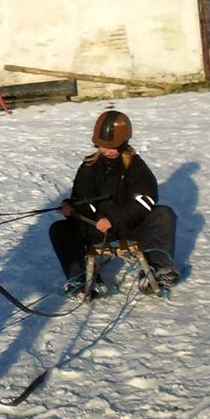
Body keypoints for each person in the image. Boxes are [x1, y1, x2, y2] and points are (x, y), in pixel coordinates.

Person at [49, 108, 179, 295]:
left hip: (129, 225)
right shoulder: (89, 166)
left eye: (112, 146)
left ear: (124, 143)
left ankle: (157, 268)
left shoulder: (135, 166)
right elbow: (82, 197)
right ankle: (80, 277)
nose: (107, 151)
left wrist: (114, 220)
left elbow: (145, 199)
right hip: (95, 227)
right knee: (59, 229)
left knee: (164, 214)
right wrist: (72, 208)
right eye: (103, 146)